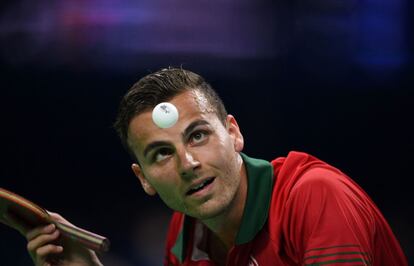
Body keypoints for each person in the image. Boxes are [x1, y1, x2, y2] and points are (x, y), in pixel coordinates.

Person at [25, 67, 408, 265]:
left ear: (234, 133)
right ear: (144, 180)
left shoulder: (313, 196)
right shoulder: (187, 233)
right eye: (161, 153)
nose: (188, 163)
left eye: (198, 136)